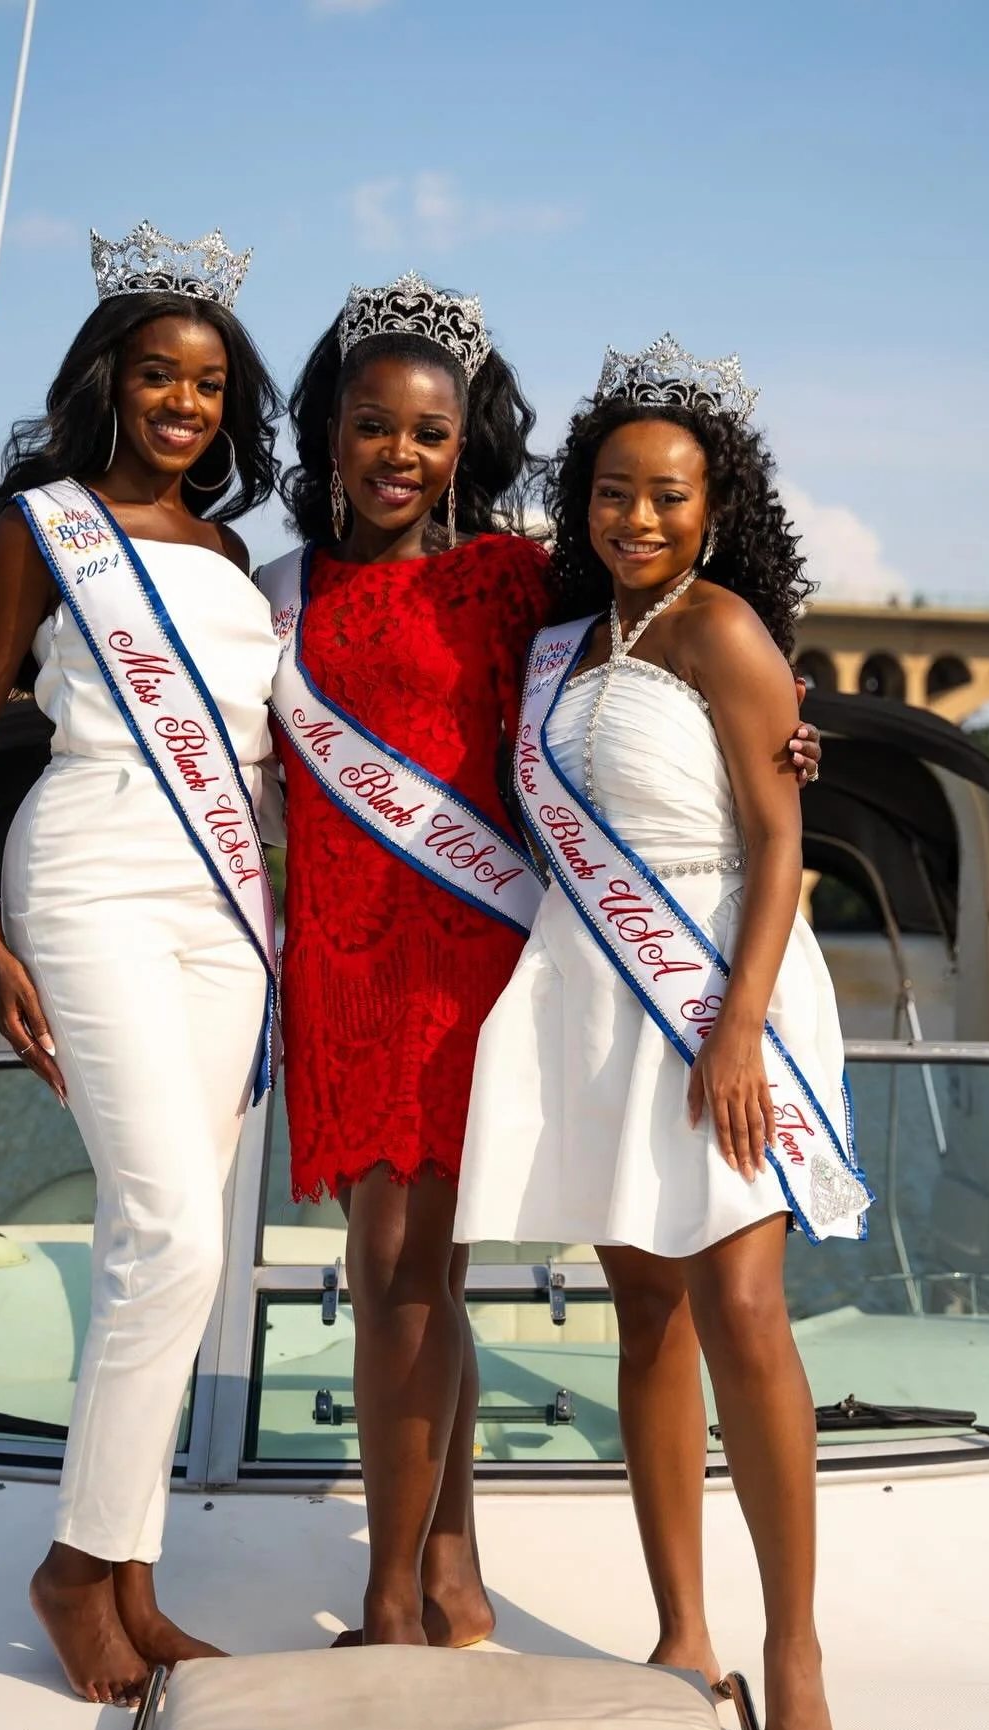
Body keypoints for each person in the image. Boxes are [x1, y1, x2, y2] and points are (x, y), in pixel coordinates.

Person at [257, 290, 825, 1650]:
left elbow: (678, 651)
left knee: (412, 1265)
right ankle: (446, 1576)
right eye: (373, 425)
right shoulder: (269, 592)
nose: (400, 451)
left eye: (431, 431)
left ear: (468, 443)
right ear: (328, 435)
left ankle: (403, 1597)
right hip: (347, 961)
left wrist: (802, 739)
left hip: (479, 961)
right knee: (401, 1264)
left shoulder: (521, 581)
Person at [455, 335, 871, 1730]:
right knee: (643, 1311)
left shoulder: (725, 632)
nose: (639, 519)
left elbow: (780, 846)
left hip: (717, 984)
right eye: (616, 494)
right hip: (597, 988)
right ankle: (683, 1632)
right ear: (585, 504)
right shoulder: (571, 643)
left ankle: (798, 1654)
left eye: (670, 497)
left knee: (744, 1306)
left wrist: (742, 1022)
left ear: (716, 507)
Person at [0, 220, 282, 1705]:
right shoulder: (40, 526)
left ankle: (130, 1581)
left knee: (167, 1244)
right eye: (159, 377)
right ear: (110, 384)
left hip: (223, 908)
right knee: (177, 1232)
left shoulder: (233, 554)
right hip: (84, 878)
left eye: (208, 385)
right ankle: (75, 1570)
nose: (185, 405)